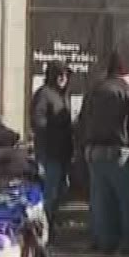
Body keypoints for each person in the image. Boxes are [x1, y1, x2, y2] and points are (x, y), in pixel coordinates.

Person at [76, 52, 129, 255]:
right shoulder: (127, 92)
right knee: (127, 201)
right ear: (126, 73)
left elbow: (81, 121)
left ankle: (104, 242)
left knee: (101, 201)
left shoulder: (95, 90)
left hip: (93, 151)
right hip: (118, 150)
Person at [30, 63, 75, 214]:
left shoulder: (63, 95)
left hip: (64, 151)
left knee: (62, 190)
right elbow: (38, 122)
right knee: (50, 191)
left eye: (65, 75)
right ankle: (46, 224)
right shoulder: (44, 94)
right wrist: (56, 128)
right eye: (60, 75)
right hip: (50, 151)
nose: (63, 79)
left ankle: (53, 221)